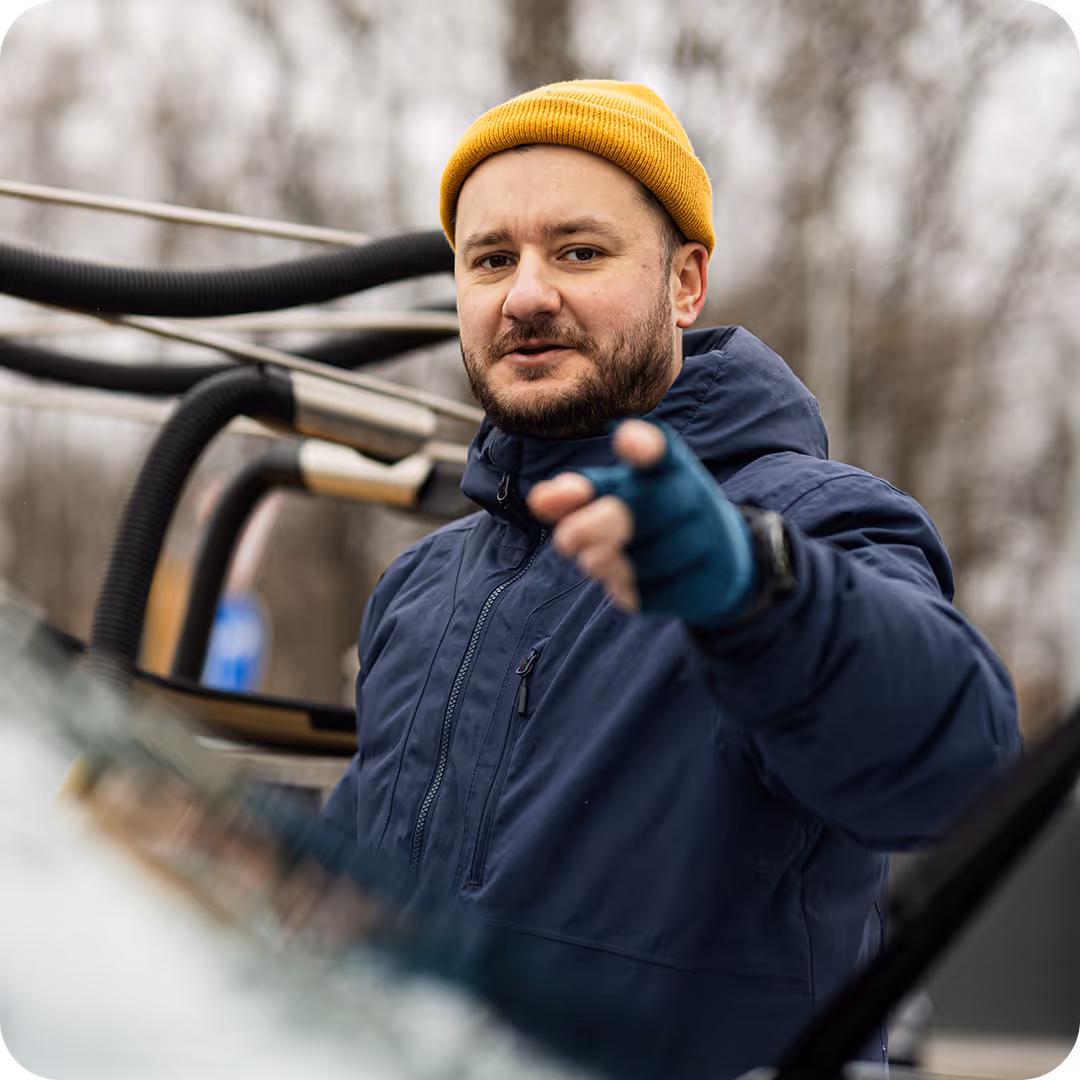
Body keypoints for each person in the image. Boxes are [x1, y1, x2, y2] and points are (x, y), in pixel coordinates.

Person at [321, 80, 1021, 1079]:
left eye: (579, 251)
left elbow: (959, 774)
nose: (525, 294)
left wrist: (761, 596)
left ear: (685, 285)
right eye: (491, 259)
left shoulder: (812, 524)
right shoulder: (419, 587)